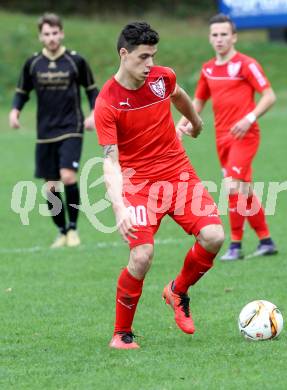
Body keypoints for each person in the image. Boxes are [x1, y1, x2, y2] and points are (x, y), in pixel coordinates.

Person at [94, 22, 224, 349]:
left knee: (214, 236)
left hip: (177, 173)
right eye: (142, 57)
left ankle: (177, 291)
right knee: (141, 256)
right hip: (137, 185)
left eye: (153, 55)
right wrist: (119, 207)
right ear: (124, 54)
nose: (149, 63)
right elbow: (110, 161)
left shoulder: (160, 78)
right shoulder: (107, 102)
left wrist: (195, 122)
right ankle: (121, 335)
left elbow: (178, 95)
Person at [177, 14, 277, 261]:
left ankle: (235, 245)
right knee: (244, 189)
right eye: (215, 35)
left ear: (234, 37)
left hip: (245, 134)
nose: (219, 39)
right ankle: (266, 240)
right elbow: (198, 101)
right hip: (221, 138)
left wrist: (249, 118)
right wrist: (181, 125)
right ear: (210, 38)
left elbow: (269, 96)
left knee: (232, 187)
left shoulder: (246, 64)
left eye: (224, 34)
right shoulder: (208, 69)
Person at [9, 13, 99, 248]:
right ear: (40, 36)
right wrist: (14, 111)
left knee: (68, 176)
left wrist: (93, 114)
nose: (51, 38)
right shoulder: (33, 63)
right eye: (46, 34)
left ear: (62, 33)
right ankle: (60, 231)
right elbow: (22, 91)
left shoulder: (75, 61)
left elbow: (91, 90)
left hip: (72, 127)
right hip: (45, 132)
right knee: (50, 188)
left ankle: (73, 229)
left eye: (55, 33)